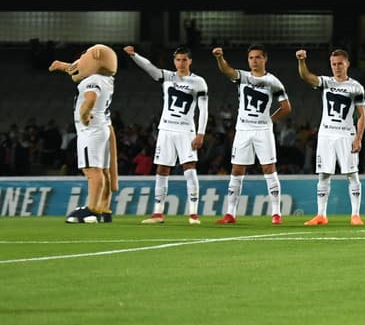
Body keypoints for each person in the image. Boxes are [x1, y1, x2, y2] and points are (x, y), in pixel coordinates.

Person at [124, 45, 208, 225]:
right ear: (174, 61)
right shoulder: (168, 77)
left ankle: (193, 214)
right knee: (162, 169)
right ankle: (158, 213)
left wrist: (200, 133)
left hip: (186, 131)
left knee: (189, 168)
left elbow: (204, 109)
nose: (181, 63)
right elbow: (150, 68)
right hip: (166, 130)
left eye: (184, 59)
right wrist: (134, 56)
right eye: (178, 59)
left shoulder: (199, 82)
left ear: (190, 61)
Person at [211, 44, 291, 224]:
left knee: (269, 169)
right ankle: (230, 214)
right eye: (251, 58)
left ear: (265, 59)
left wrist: (270, 120)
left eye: (258, 57)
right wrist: (219, 58)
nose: (254, 61)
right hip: (243, 130)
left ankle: (276, 214)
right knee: (237, 170)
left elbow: (286, 107)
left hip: (263, 131)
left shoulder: (273, 81)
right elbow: (227, 70)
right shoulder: (243, 77)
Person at [296, 48, 365, 226]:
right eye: (333, 64)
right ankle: (321, 215)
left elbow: (362, 115)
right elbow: (306, 76)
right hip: (326, 133)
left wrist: (358, 138)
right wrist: (301, 61)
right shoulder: (326, 82)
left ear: (347, 64)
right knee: (323, 174)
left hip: (346, 134)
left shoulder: (356, 87)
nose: (336, 67)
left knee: (352, 174)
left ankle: (355, 215)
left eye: (340, 64)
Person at [48, 44, 117, 223]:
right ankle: (104, 208)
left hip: (91, 129)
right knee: (102, 170)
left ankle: (91, 210)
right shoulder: (106, 79)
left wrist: (84, 115)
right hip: (102, 127)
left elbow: (90, 98)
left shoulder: (92, 80)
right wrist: (62, 66)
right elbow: (77, 68)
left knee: (92, 171)